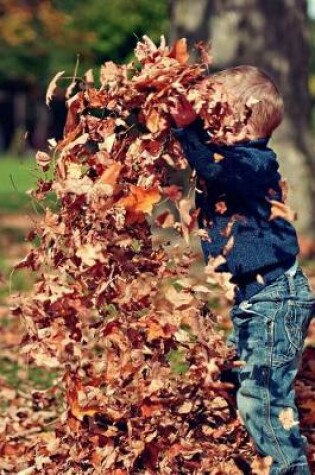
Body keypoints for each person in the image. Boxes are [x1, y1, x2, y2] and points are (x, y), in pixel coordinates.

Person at [170, 65, 315, 475]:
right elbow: (208, 163)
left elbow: (213, 166)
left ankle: (289, 468)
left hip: (274, 300)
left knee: (263, 399)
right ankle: (240, 450)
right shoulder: (237, 160)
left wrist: (188, 130)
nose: (205, 123)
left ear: (239, 120)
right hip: (258, 300)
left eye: (214, 115)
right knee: (236, 378)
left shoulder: (253, 163)